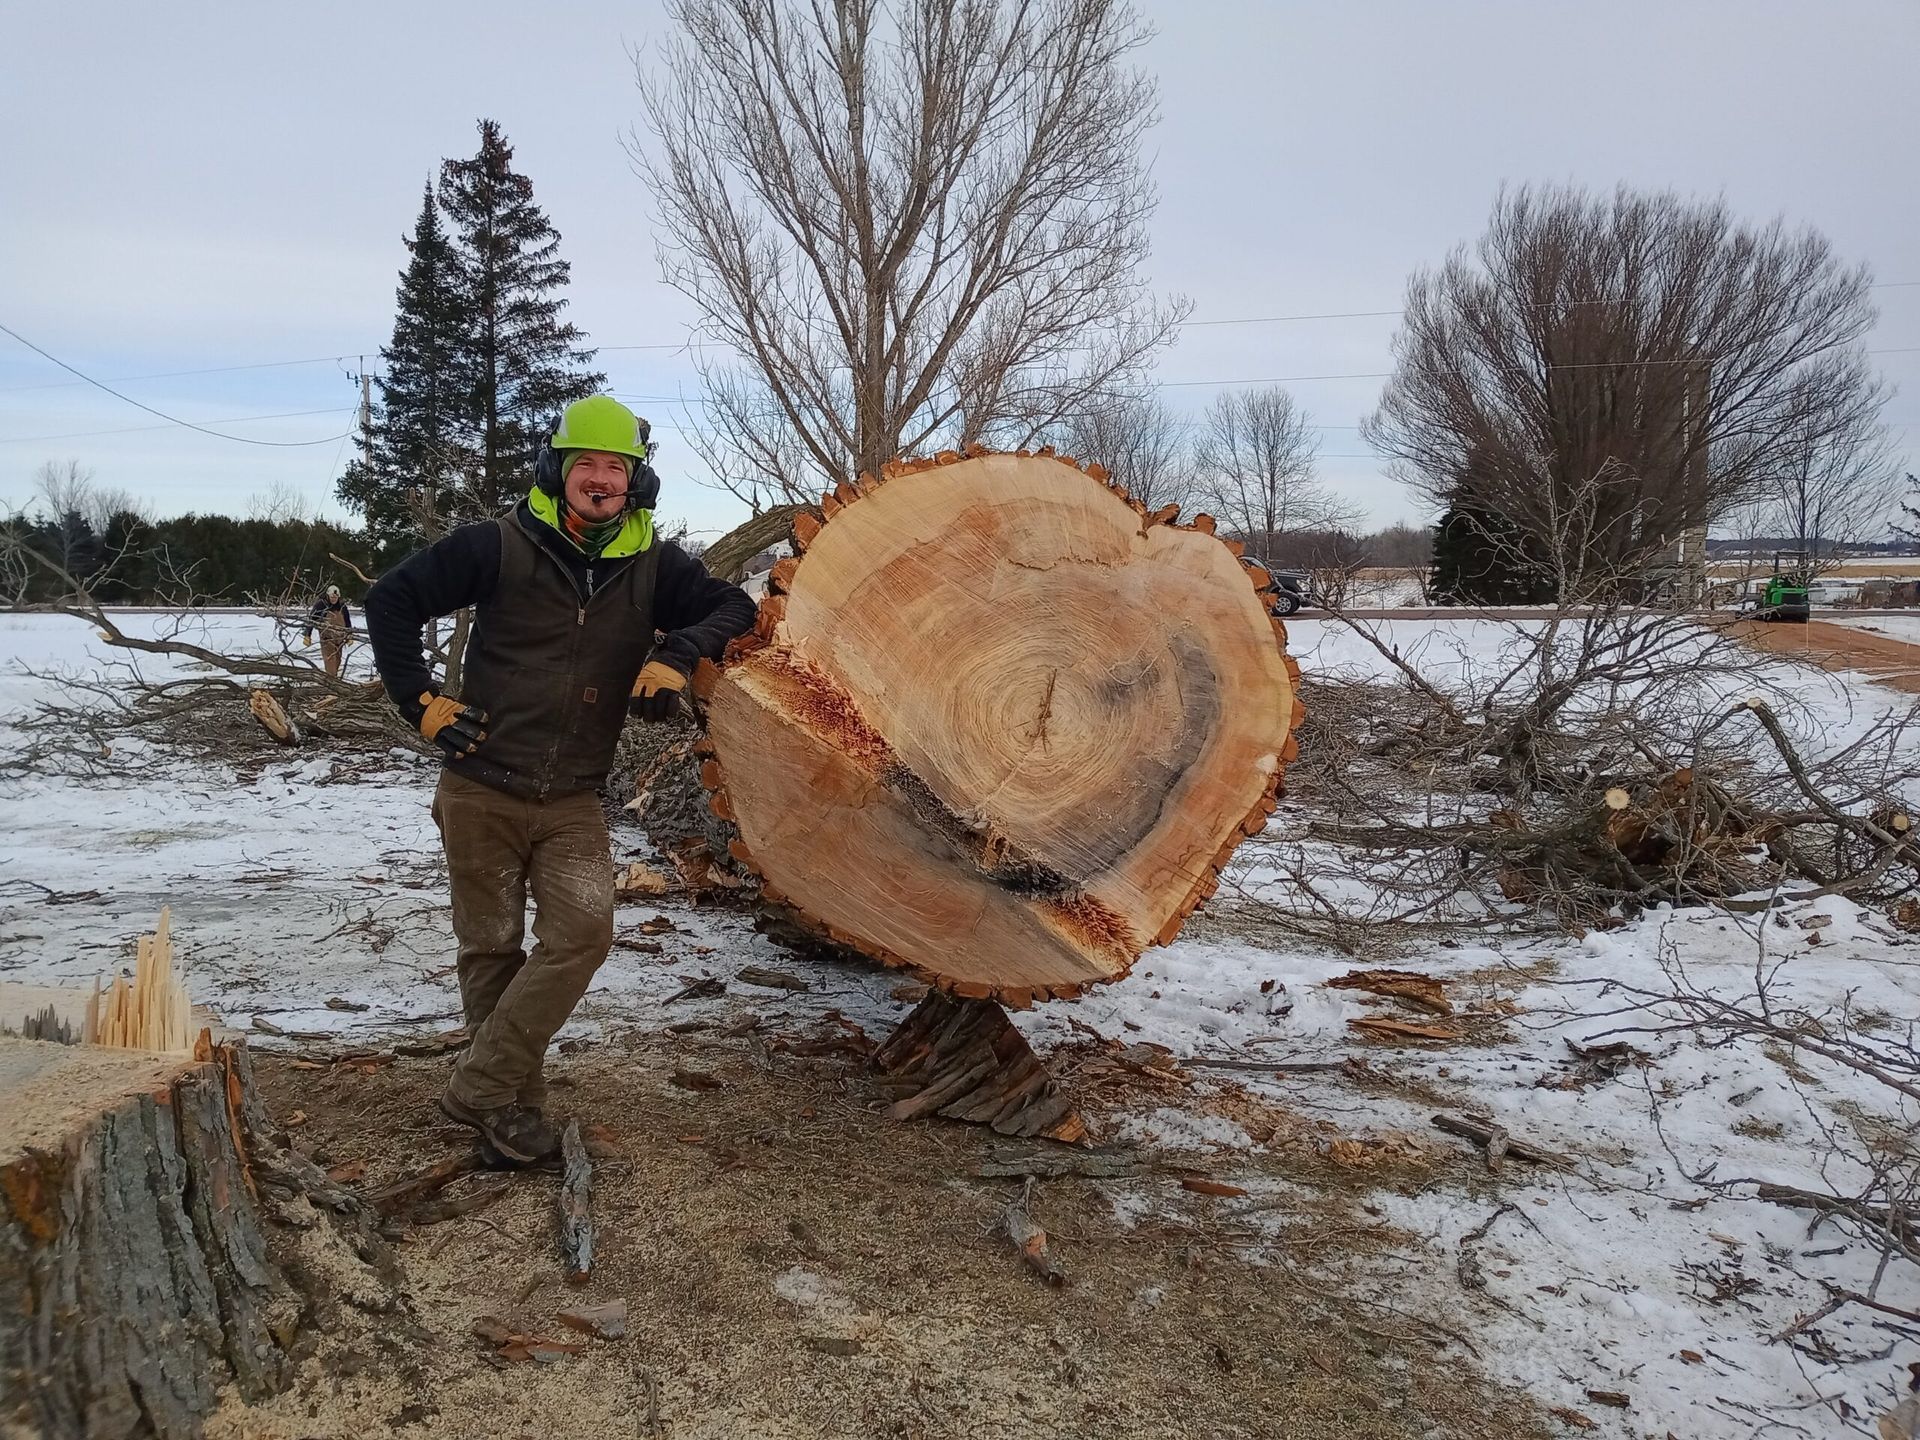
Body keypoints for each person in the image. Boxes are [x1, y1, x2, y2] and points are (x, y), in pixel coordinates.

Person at [364, 396, 755, 1164]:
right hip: (480, 783)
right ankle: (512, 1108)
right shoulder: (499, 546)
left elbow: (732, 606)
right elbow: (391, 600)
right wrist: (419, 702)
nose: (602, 480)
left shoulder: (653, 564)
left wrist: (675, 653)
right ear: (558, 470)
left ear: (637, 482)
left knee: (583, 934)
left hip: (573, 794)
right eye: (588, 466)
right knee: (491, 946)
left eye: (617, 467)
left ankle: (476, 1087)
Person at [303, 583, 354, 677]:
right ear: (328, 596)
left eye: (336, 597)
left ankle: (333, 680)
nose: (334, 599)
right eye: (332, 597)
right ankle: (332, 683)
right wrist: (307, 635)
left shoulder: (342, 606)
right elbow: (311, 620)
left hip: (340, 639)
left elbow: (347, 621)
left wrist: (349, 635)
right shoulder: (321, 605)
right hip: (327, 639)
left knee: (338, 661)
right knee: (330, 661)